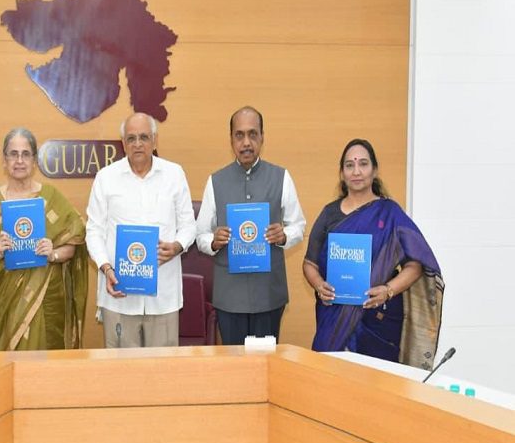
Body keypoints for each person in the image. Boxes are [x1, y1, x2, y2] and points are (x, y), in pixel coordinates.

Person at [303, 138, 444, 368]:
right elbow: (309, 263)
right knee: (331, 378)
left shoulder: (390, 213)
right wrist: (319, 285)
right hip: (334, 319)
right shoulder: (329, 214)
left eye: (363, 164)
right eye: (349, 165)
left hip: (379, 320)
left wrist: (388, 290)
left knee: (377, 383)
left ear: (374, 170)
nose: (356, 171)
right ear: (342, 173)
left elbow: (416, 264)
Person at [195, 106, 306, 345]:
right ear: (231, 139)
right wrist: (213, 241)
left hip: (269, 293)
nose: (246, 142)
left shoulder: (281, 177)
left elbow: (298, 225)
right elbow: (201, 234)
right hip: (229, 295)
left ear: (262, 137)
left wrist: (284, 236)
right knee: (234, 362)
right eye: (240, 135)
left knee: (265, 361)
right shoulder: (215, 181)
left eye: (253, 134)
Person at [86, 113, 196, 348]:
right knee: (121, 367)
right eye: (131, 138)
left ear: (155, 140)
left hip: (162, 295)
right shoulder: (106, 178)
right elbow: (93, 231)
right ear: (123, 143)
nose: (137, 144)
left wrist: (177, 246)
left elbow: (189, 225)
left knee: (163, 366)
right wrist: (106, 268)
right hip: (119, 294)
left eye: (144, 137)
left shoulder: (174, 174)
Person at [0, 128, 89, 351]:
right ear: (4, 160)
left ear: (34, 160)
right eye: (13, 154)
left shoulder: (51, 197)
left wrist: (53, 253)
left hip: (46, 298)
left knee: (46, 364)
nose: (19, 160)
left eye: (25, 154)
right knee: (8, 363)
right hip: (4, 300)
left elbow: (74, 241)